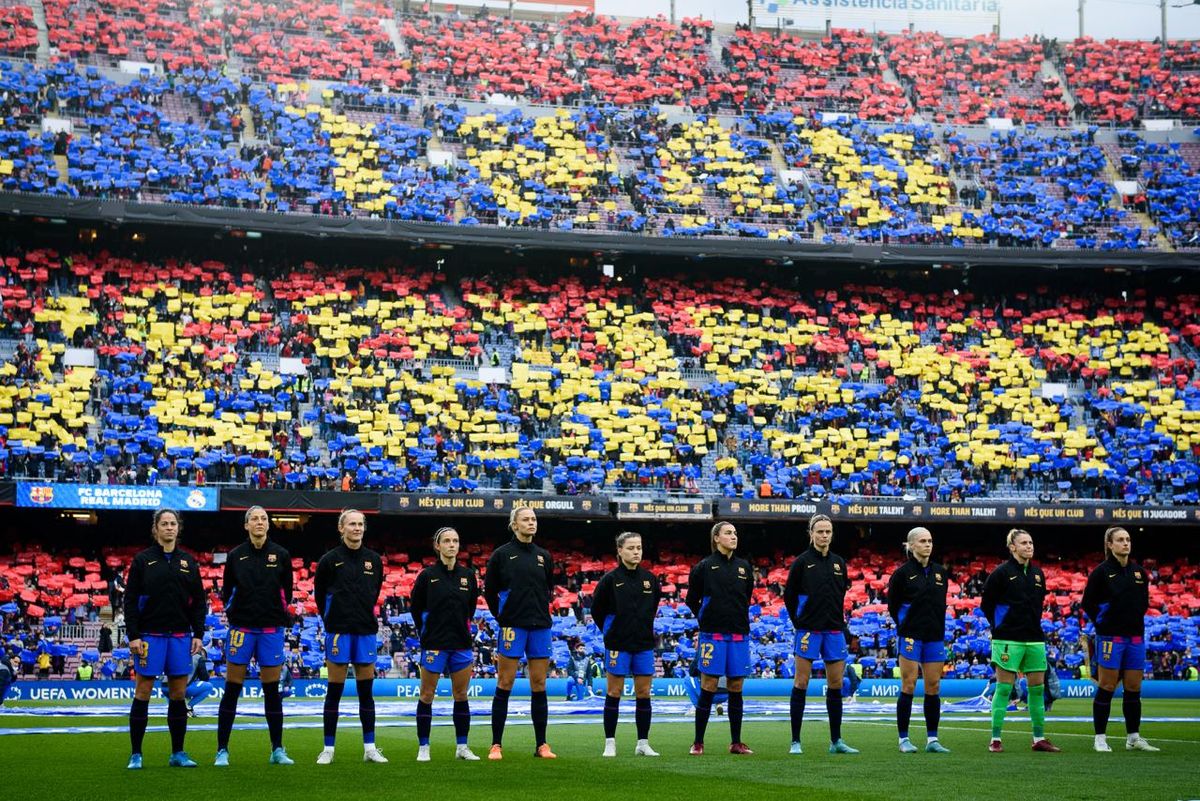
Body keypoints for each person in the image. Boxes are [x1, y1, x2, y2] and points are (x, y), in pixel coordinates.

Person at [123, 508, 206, 769]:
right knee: (143, 691)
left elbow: (199, 601)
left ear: (178, 528)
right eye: (164, 524)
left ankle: (178, 753)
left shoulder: (188, 562)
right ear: (156, 529)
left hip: (181, 636)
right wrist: (134, 634)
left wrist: (199, 632)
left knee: (178, 693)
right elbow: (130, 600)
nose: (169, 528)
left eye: (173, 524)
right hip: (150, 636)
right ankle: (136, 754)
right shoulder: (142, 560)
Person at [215, 505, 295, 766]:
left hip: (271, 631)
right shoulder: (236, 556)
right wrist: (236, 614)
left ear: (268, 525)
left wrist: (278, 615)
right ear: (246, 525)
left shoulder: (281, 554)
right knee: (232, 690)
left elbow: (287, 593)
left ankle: (277, 750)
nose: (259, 522)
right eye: (254, 519)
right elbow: (228, 592)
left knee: (272, 692)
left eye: (263, 519)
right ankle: (222, 750)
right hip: (242, 630)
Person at [313, 509, 387, 764]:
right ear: (341, 528)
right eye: (351, 524)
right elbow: (320, 597)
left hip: (365, 630)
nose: (356, 528)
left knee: (366, 693)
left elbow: (374, 592)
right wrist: (334, 619)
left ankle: (370, 748)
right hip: (338, 631)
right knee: (334, 692)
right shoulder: (329, 560)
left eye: (360, 524)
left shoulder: (374, 560)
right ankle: (328, 749)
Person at [483, 505, 557, 759]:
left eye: (534, 519)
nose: (531, 523)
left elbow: (549, 587)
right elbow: (489, 591)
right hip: (513, 626)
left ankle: (541, 745)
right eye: (525, 519)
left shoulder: (543, 556)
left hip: (540, 625)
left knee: (539, 683)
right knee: (505, 682)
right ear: (514, 525)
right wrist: (502, 617)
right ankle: (496, 744)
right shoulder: (501, 555)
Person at [784, 514, 859, 755]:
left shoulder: (839, 563)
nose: (824, 535)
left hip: (834, 630)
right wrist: (799, 621)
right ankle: (796, 741)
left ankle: (836, 740)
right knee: (801, 682)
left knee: (836, 683)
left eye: (828, 532)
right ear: (811, 534)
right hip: (808, 630)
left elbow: (840, 594)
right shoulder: (802, 562)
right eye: (820, 532)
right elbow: (789, 596)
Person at [980, 528, 1060, 753]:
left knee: (1037, 690)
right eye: (1024, 543)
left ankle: (1039, 738)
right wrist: (1000, 626)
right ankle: (995, 739)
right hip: (1007, 638)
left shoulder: (1037, 574)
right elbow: (987, 605)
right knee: (1004, 689)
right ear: (1012, 547)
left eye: (1031, 542)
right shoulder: (1001, 573)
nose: (1029, 546)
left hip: (1034, 638)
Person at [1081, 526, 1160, 753]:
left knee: (1134, 688)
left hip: (1135, 636)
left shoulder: (1139, 573)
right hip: (1110, 637)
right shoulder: (1101, 572)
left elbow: (1143, 603)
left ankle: (1133, 737)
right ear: (1110, 544)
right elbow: (1088, 603)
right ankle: (1100, 738)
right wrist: (1103, 624)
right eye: (1120, 540)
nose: (1125, 543)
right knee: (1107, 686)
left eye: (1128, 539)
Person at [410, 526, 481, 762]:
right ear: (437, 546)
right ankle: (424, 747)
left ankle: (462, 746)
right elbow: (416, 609)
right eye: (447, 541)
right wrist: (427, 633)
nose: (452, 545)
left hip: (461, 644)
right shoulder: (427, 576)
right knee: (427, 695)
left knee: (461, 695)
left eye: (456, 541)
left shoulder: (468, 576)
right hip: (434, 644)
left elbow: (469, 608)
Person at [590, 531, 662, 758]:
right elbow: (597, 611)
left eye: (639, 547)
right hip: (617, 644)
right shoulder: (610, 580)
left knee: (644, 692)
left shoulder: (650, 580)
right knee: (614, 691)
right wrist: (612, 632)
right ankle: (610, 742)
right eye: (630, 548)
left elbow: (653, 608)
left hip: (643, 644)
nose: (636, 552)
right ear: (620, 551)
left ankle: (643, 742)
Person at [685, 520, 753, 756]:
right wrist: (706, 619)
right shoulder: (704, 567)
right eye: (728, 533)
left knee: (736, 686)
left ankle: (736, 742)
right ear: (716, 539)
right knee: (709, 685)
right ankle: (698, 742)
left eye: (735, 532)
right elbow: (691, 600)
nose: (733, 536)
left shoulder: (745, 567)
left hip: (739, 634)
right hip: (712, 635)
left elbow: (747, 597)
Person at [886, 526, 952, 754]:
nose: (927, 545)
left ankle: (932, 739)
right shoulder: (902, 574)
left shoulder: (940, 572)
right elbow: (893, 607)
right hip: (911, 636)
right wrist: (906, 625)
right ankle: (903, 739)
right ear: (911, 545)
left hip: (934, 636)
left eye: (930, 541)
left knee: (933, 686)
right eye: (923, 541)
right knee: (909, 684)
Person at [160, 651, 215, 717]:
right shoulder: (198, 657)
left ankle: (172, 708)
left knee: (170, 686)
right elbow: (204, 678)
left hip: (164, 687)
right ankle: (189, 707)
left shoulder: (175, 653)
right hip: (181, 687)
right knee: (208, 686)